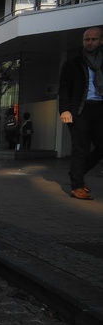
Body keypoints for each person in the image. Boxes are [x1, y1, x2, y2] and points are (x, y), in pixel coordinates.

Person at [59, 26, 103, 200]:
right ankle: (77, 186)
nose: (90, 42)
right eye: (87, 39)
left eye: (93, 39)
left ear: (101, 41)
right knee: (81, 148)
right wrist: (65, 110)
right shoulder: (73, 63)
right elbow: (64, 88)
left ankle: (77, 173)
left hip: (99, 107)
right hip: (79, 109)